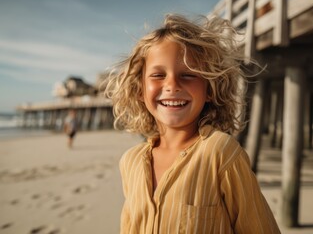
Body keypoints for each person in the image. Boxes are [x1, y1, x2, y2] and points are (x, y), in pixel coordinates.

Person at [106, 14, 280, 233]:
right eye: (158, 75)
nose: (171, 85)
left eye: (187, 75)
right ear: (140, 89)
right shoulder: (130, 162)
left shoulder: (220, 153)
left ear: (209, 89)